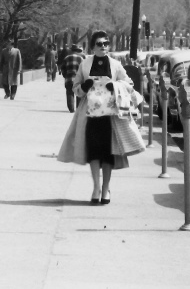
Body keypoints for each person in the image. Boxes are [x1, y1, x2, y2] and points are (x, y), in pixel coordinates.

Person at [56, 31, 141, 203]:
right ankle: (96, 188)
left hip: (111, 117)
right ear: (93, 47)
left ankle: (106, 188)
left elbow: (129, 84)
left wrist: (115, 86)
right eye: (99, 44)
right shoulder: (85, 64)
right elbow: (75, 87)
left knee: (108, 153)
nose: (103, 47)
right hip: (90, 115)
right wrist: (84, 87)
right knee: (94, 153)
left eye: (106, 43)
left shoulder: (116, 64)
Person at [62, 45, 84, 112]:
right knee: (79, 94)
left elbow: (63, 69)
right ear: (77, 51)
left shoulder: (66, 58)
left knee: (69, 93)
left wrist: (66, 75)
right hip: (79, 79)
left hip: (69, 78)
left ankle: (71, 109)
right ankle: (78, 108)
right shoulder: (81, 59)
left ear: (71, 51)